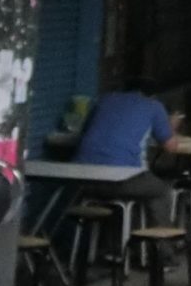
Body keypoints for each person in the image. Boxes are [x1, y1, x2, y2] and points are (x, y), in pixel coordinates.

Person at [76, 78, 183, 207]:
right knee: (162, 191)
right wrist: (172, 125)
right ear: (152, 95)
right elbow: (170, 147)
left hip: (81, 179)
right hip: (121, 180)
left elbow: (84, 132)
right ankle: (159, 227)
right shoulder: (153, 106)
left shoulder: (104, 100)